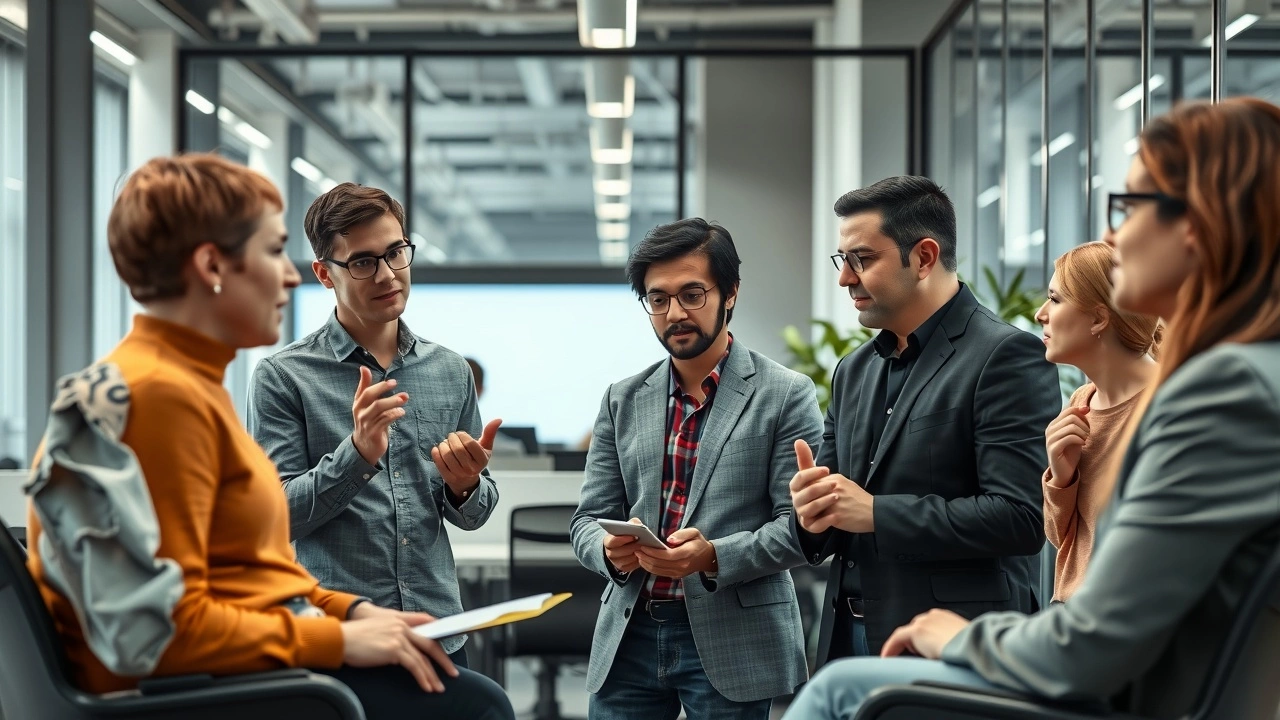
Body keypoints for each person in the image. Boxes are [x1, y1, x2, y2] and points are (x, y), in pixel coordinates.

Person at [783, 97, 1280, 720]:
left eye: (1129, 206)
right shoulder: (857, 370)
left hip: (1111, 692)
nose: (1112, 235)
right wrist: (816, 511)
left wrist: (959, 635)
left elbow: (1092, 632)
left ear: (1201, 223)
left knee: (837, 696)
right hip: (881, 624)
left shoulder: (1222, 391)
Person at [25, 154, 513, 719]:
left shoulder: (188, 389)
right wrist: (336, 639)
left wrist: (349, 612)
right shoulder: (153, 398)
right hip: (182, 699)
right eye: (270, 250)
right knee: (482, 708)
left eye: (395, 253)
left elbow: (246, 573)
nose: (288, 275)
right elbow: (152, 630)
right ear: (212, 265)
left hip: (244, 666)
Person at [788, 176, 1059, 663]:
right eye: (842, 260)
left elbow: (1021, 517)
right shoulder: (854, 371)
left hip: (949, 647)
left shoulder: (1004, 355)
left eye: (862, 260)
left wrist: (876, 513)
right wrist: (811, 514)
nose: (845, 278)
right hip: (845, 640)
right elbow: (832, 519)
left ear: (925, 257)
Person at [569, 218, 824, 720]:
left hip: (734, 635)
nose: (674, 313)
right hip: (630, 634)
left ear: (729, 293)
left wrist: (711, 557)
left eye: (691, 294)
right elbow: (585, 519)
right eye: (657, 299)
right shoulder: (622, 398)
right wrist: (607, 550)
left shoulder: (785, 394)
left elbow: (800, 531)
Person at [247, 183, 501, 671]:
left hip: (437, 629)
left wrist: (466, 486)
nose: (387, 275)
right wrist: (358, 454)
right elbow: (277, 517)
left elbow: (474, 514)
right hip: (340, 641)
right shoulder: (285, 376)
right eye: (363, 262)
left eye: (396, 253)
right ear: (324, 273)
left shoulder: (450, 370)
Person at [1035, 242, 1160, 602]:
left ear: (1099, 318)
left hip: (1118, 626)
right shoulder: (1081, 401)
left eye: (1055, 299)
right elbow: (1066, 542)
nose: (1040, 314)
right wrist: (1062, 478)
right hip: (1072, 616)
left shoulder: (1167, 404)